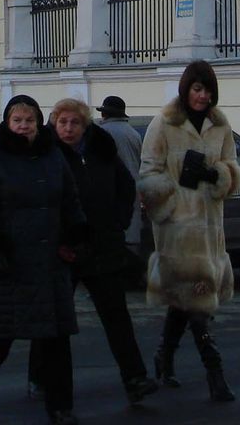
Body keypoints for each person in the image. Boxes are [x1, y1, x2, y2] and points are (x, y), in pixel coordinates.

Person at [0, 95, 85, 425]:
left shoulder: (52, 156)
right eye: (17, 120)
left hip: (49, 263)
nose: (23, 126)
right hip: (11, 264)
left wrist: (76, 237)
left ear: (38, 124)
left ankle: (61, 407)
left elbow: (70, 200)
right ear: (7, 123)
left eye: (29, 120)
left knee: (55, 341)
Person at [137, 60, 240, 403]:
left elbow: (233, 168)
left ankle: (163, 358)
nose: (203, 96)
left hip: (210, 228)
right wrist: (171, 198)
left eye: (208, 90)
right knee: (197, 304)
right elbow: (149, 172)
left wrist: (217, 176)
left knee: (186, 300)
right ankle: (216, 373)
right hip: (178, 229)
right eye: (197, 89)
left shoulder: (220, 125)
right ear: (186, 89)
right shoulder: (164, 123)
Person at [44, 98, 159, 404]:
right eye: (63, 122)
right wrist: (58, 241)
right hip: (64, 251)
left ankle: (135, 377)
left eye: (75, 123)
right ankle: (39, 378)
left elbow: (125, 186)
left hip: (101, 247)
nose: (69, 129)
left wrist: (119, 222)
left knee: (116, 316)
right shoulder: (46, 155)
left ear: (86, 126)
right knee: (53, 321)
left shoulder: (101, 153)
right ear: (54, 124)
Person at [97, 95, 145, 280]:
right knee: (132, 234)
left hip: (112, 191)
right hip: (134, 189)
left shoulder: (102, 132)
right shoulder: (133, 133)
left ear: (105, 114)